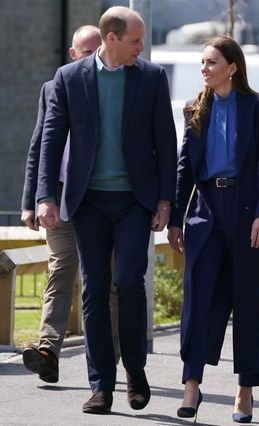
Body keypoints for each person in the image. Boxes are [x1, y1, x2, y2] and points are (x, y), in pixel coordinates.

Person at [36, 6, 177, 415]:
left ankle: (134, 370)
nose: (142, 47)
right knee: (95, 289)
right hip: (89, 202)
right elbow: (50, 139)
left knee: (129, 283)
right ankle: (101, 385)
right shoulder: (69, 78)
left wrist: (165, 200)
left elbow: (165, 141)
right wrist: (46, 195)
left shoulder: (151, 77)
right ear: (111, 39)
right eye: (136, 40)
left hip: (135, 200)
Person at [168, 36, 259, 424]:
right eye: (202, 62)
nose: (204, 68)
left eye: (212, 62)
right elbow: (184, 169)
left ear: (232, 67)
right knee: (198, 300)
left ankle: (245, 390)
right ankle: (191, 386)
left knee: (248, 302)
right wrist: (176, 219)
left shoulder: (258, 107)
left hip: (248, 214)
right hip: (206, 213)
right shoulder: (194, 109)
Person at [21, 25, 120, 383]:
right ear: (71, 54)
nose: (92, 57)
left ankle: (108, 355)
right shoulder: (53, 89)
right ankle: (48, 350)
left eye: (98, 50)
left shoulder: (114, 87)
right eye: (85, 51)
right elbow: (40, 147)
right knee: (61, 269)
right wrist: (33, 199)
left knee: (106, 280)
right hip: (61, 198)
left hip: (100, 197)